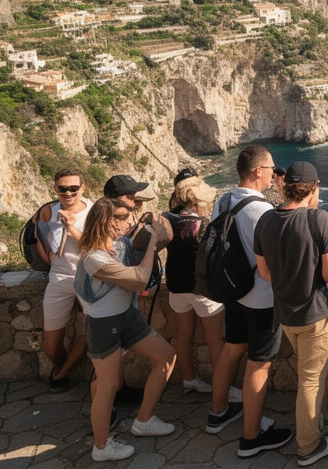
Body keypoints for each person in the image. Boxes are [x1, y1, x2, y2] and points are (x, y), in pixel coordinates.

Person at [253, 161, 328, 466]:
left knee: (308, 378)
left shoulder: (266, 220)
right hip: (315, 313)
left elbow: (265, 272)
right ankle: (308, 446)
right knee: (311, 381)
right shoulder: (318, 219)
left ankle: (313, 426)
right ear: (314, 187)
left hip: (285, 315)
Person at [206, 145, 293, 458]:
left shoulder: (223, 200)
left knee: (232, 349)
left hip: (233, 292)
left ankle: (218, 413)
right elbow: (276, 259)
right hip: (260, 298)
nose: (273, 172)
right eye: (270, 167)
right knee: (259, 363)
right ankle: (251, 437)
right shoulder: (262, 212)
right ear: (258, 171)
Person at [74, 198, 177, 461]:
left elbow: (157, 238)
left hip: (126, 318)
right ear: (103, 222)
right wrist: (152, 240)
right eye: (119, 218)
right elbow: (138, 279)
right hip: (103, 324)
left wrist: (151, 225)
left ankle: (144, 421)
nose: (126, 222)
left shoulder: (119, 245)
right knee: (109, 385)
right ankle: (101, 446)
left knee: (166, 357)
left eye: (127, 216)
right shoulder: (94, 259)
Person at [162, 172, 232, 397]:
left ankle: (189, 379)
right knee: (215, 341)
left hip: (176, 286)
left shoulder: (166, 219)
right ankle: (225, 389)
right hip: (201, 289)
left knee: (184, 336)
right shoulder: (201, 224)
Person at [34, 168, 92, 391]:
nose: (68, 193)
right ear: (56, 188)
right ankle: (60, 367)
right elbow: (36, 236)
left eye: (73, 188)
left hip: (87, 276)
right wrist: (48, 259)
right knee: (51, 342)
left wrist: (69, 226)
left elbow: (96, 245)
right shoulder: (48, 210)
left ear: (82, 188)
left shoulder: (93, 211)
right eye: (62, 189)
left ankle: (61, 374)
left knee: (89, 331)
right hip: (59, 277)